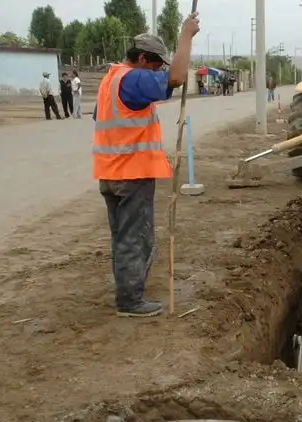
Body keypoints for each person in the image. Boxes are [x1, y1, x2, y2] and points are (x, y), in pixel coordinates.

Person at [92, 17, 200, 317]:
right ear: (142, 59)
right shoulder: (132, 78)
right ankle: (130, 300)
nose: (159, 71)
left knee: (122, 236)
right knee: (136, 238)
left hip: (110, 172)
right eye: (156, 66)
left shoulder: (110, 80)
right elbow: (176, 79)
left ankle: (128, 288)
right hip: (130, 173)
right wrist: (186, 35)